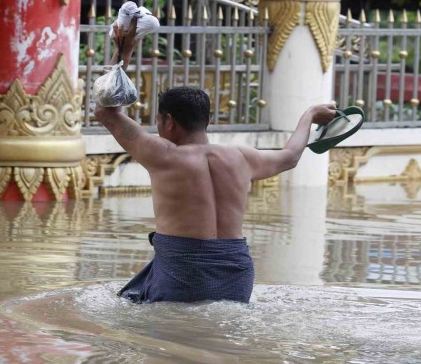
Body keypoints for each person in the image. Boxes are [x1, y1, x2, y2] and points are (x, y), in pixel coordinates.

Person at [94, 19, 337, 304]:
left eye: (159, 121)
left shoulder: (163, 155)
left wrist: (124, 50)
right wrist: (309, 115)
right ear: (206, 120)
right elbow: (290, 157)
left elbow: (106, 111)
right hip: (236, 271)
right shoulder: (240, 157)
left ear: (168, 122)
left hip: (183, 272)